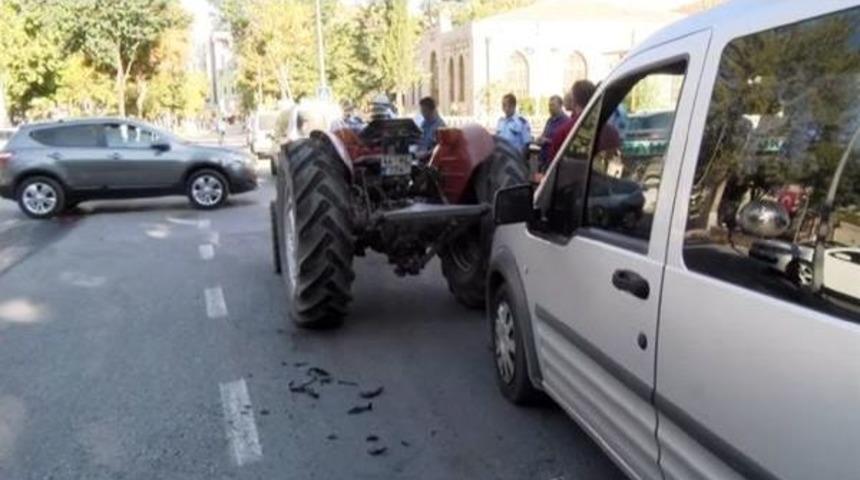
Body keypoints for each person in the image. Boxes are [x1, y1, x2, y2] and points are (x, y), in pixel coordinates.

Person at [537, 95, 568, 167]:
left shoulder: (566, 122)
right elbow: (544, 134)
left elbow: (565, 142)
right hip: (543, 160)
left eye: (553, 105)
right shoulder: (549, 120)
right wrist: (540, 139)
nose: (550, 108)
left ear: (560, 106)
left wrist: (547, 141)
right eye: (549, 105)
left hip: (554, 162)